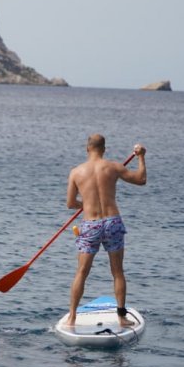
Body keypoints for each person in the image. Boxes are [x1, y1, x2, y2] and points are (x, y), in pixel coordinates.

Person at [64, 134, 147, 327]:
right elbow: (141, 179)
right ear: (104, 149)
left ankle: (72, 317)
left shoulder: (76, 172)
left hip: (90, 224)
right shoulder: (113, 167)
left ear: (87, 148)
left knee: (81, 272)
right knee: (117, 272)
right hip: (112, 223)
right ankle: (121, 317)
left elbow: (70, 203)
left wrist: (84, 205)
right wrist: (141, 157)